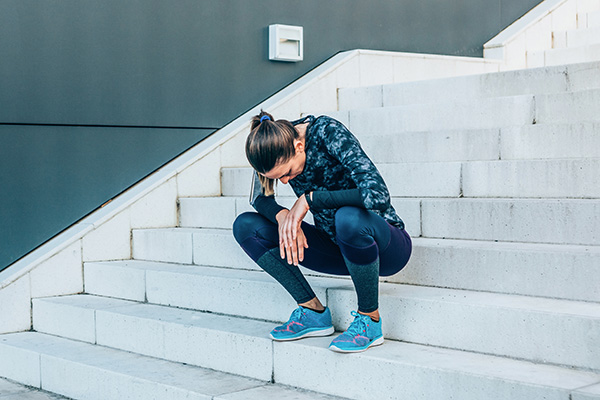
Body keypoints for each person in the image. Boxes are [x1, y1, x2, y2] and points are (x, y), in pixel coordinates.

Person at [232, 111, 412, 353]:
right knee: (246, 226)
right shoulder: (271, 142)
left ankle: (370, 320)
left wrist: (309, 200)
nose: (284, 182)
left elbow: (376, 193)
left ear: (298, 146)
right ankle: (312, 311)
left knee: (346, 217)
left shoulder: (326, 132)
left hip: (384, 247)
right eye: (277, 178)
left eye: (287, 173)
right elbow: (258, 198)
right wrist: (283, 215)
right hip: (336, 248)